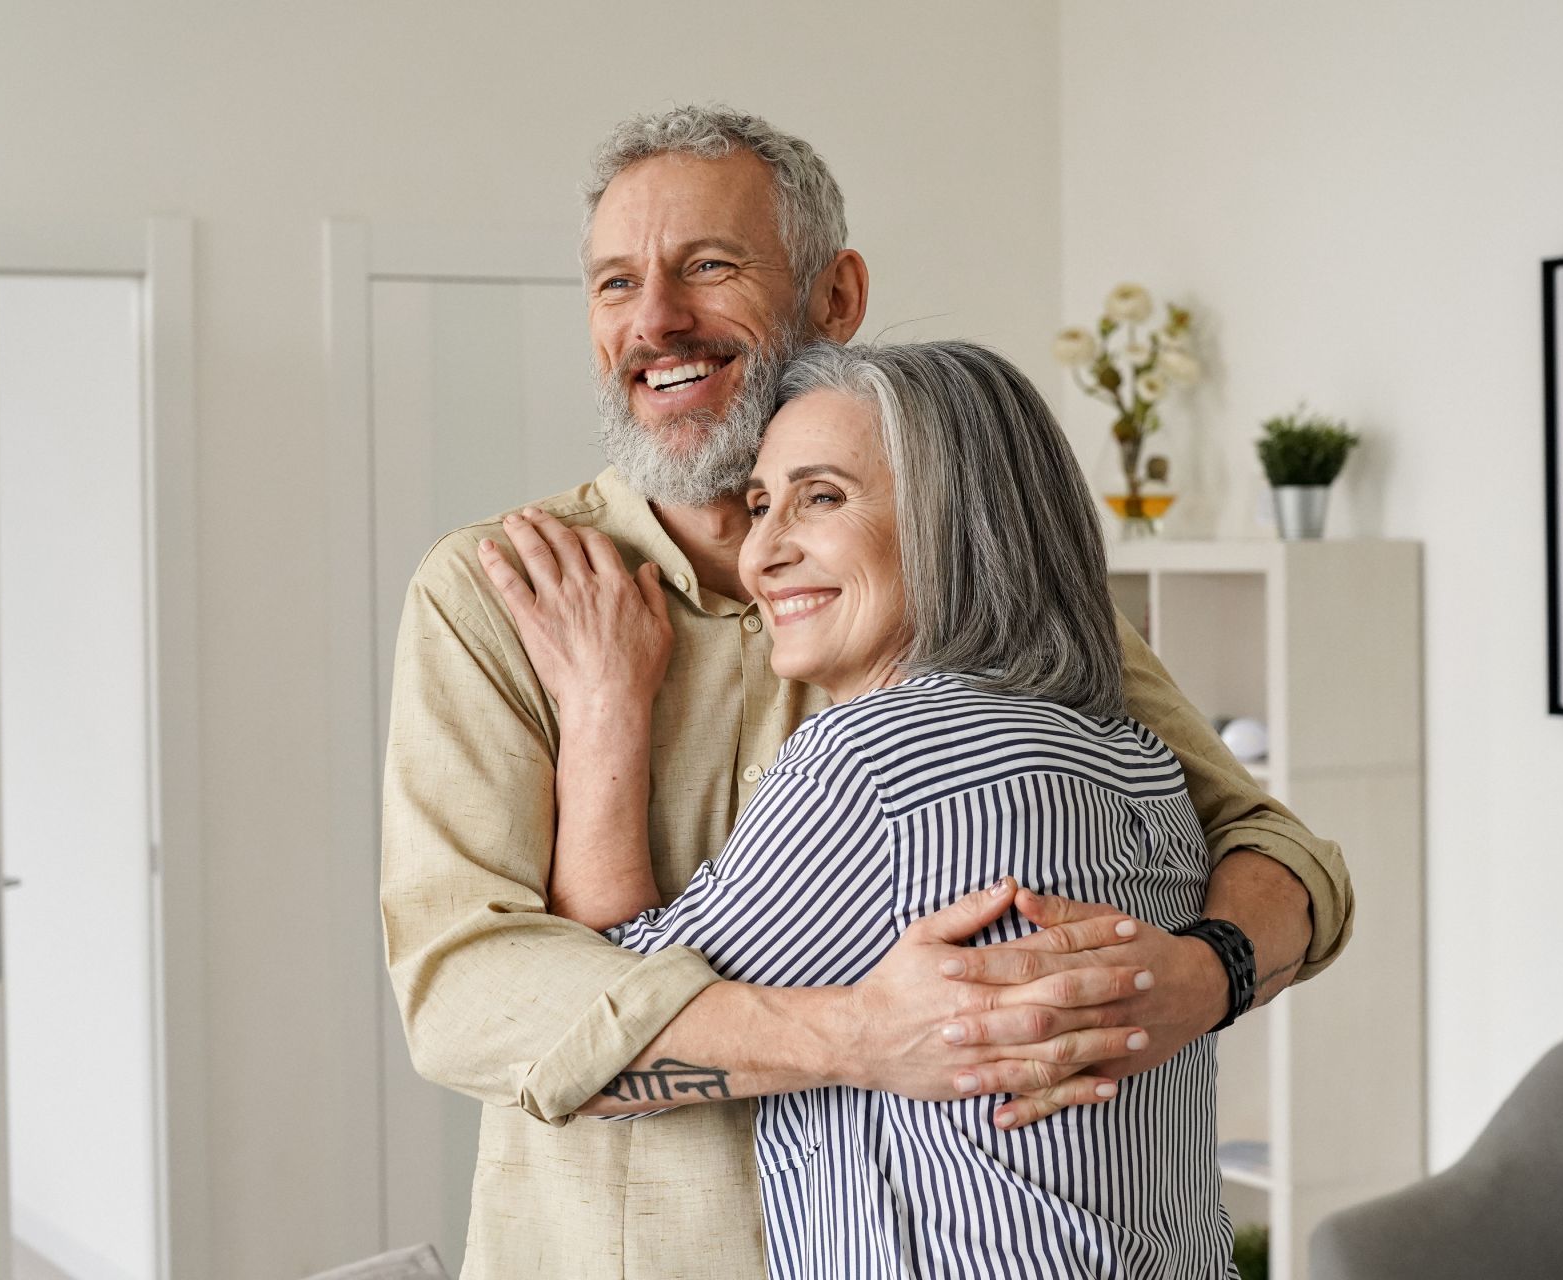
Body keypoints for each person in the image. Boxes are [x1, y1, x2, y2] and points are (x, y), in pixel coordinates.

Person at [380, 104, 1352, 1279]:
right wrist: (858, 1034)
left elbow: (1277, 851)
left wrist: (1200, 975)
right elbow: (466, 991)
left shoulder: (983, 596)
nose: (654, 321)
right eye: (613, 284)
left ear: (836, 297)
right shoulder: (497, 596)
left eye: (708, 267)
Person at [490, 339, 1238, 1278]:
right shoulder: (1143, 764)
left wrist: (605, 706)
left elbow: (604, 1035)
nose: (763, 553)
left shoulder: (877, 761)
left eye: (823, 498)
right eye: (761, 504)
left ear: (955, 525)